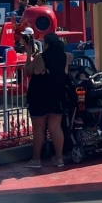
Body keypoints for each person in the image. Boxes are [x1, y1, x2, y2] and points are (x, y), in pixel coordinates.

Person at [24, 32, 70, 168]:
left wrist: (28, 55)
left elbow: (28, 72)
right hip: (57, 95)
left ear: (47, 44)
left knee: (39, 128)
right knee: (56, 127)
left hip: (39, 96)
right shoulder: (66, 57)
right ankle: (59, 158)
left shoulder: (40, 58)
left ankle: (36, 160)